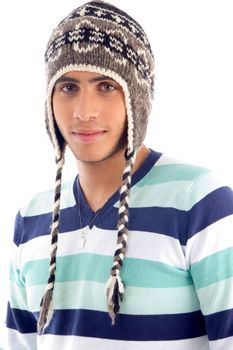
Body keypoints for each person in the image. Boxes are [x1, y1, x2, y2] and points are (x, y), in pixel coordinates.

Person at [5, 0, 233, 349]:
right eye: (68, 87)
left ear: (137, 98)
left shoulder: (200, 202)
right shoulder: (33, 218)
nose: (84, 111)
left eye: (106, 86)